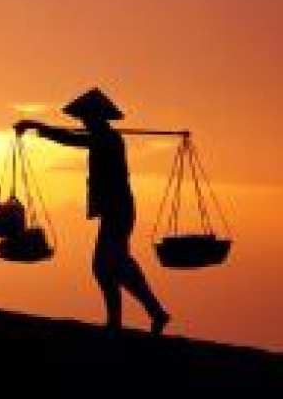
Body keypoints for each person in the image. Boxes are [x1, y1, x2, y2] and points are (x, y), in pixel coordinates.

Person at [17, 88, 170, 335]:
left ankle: (131, 317)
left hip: (118, 209)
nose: (83, 121)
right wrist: (39, 128)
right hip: (115, 210)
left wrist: (36, 126)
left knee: (106, 266)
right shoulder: (102, 137)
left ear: (97, 116)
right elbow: (74, 137)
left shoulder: (107, 139)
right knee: (116, 265)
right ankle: (148, 313)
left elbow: (71, 138)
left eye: (86, 117)